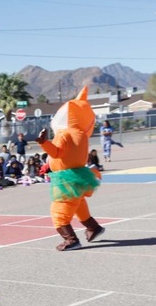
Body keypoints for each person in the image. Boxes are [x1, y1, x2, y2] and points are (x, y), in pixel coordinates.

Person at [36, 87, 105, 251]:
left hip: (66, 179)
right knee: (79, 205)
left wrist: (43, 142)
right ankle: (93, 227)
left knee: (59, 212)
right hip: (79, 176)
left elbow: (57, 152)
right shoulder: (81, 135)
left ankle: (71, 240)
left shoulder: (64, 134)